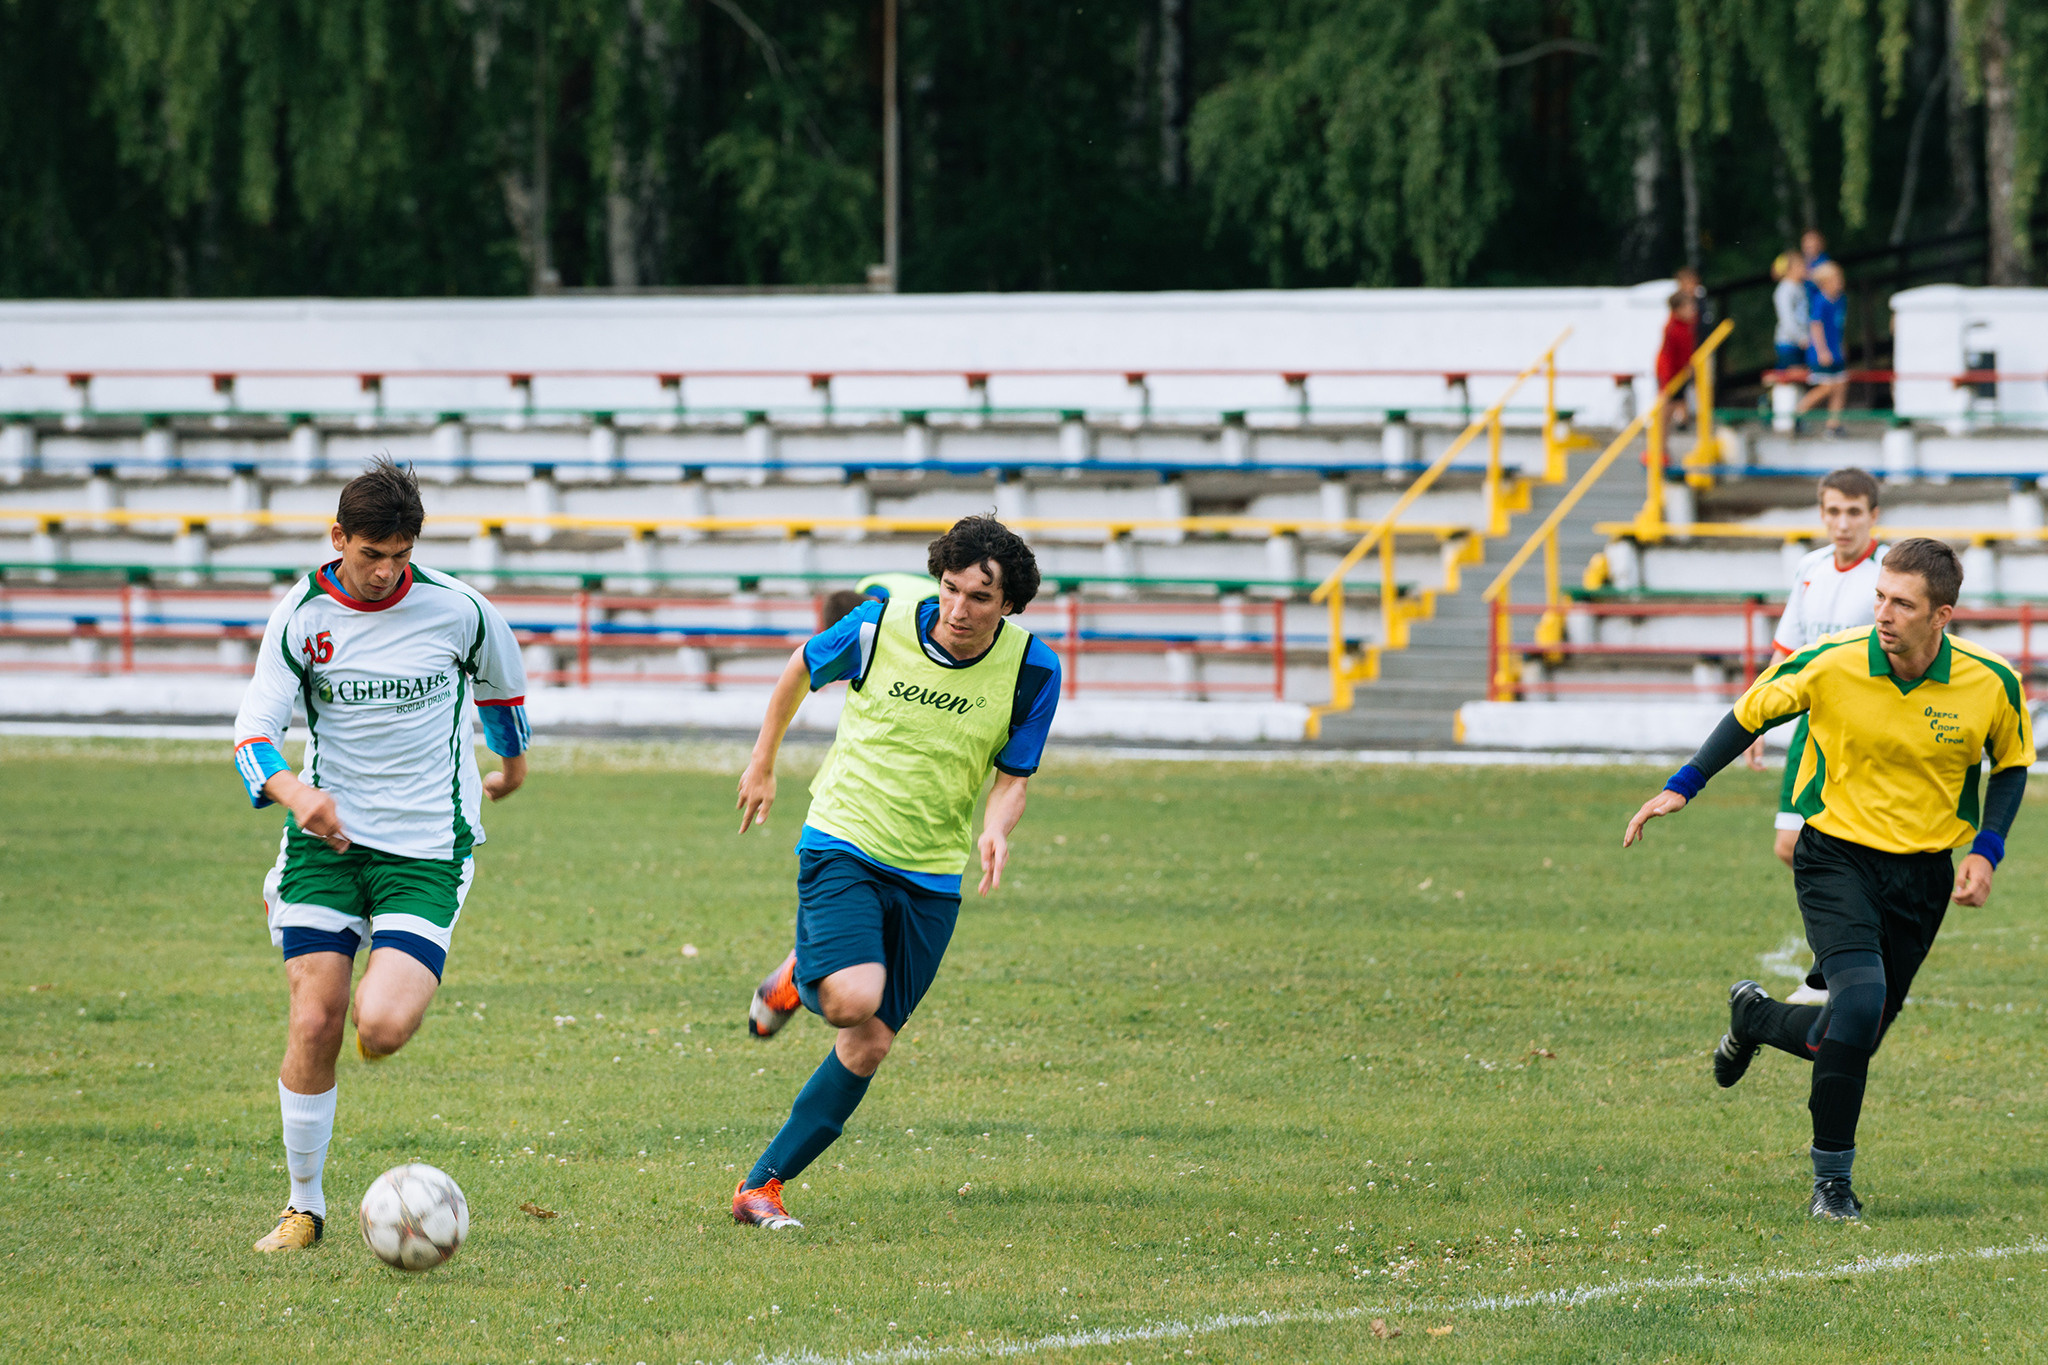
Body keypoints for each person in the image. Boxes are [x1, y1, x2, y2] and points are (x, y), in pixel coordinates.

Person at [1624, 538, 2030, 1222]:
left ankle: (1753, 1014)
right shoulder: (1835, 661)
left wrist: (1986, 850)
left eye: (1903, 602)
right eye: (1880, 596)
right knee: (1860, 1001)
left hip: (1923, 876)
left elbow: (2012, 763)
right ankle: (1832, 1187)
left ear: (1943, 615)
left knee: (1850, 1033)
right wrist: (1682, 786)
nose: (1884, 612)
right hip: (1834, 856)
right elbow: (1751, 711)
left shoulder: (1991, 682)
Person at [730, 517, 1061, 1230]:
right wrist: (762, 760)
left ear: (1009, 604)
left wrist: (996, 828)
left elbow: (1014, 776)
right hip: (844, 837)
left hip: (933, 872)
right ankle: (804, 977)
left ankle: (761, 1188)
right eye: (950, 588)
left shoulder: (1033, 668)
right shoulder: (880, 627)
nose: (958, 610)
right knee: (852, 997)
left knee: (871, 1042)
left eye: (980, 596)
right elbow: (800, 667)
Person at [234, 458, 530, 1252]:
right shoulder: (298, 616)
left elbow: (505, 696)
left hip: (428, 846)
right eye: (371, 553)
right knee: (315, 1016)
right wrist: (300, 797)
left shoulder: (460, 610)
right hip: (324, 846)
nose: (385, 570)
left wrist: (513, 765)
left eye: (400, 554)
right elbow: (251, 739)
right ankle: (304, 1206)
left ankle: (375, 989)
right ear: (339, 538)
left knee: (384, 1026)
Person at [1744, 468, 1886, 1004]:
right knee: (1791, 846)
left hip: (1863, 729)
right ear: (1821, 513)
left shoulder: (1888, 570)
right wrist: (1754, 718)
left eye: (1854, 512)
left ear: (1873, 516)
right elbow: (1786, 651)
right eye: (1832, 511)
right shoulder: (1810, 567)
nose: (1842, 523)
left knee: (1845, 844)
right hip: (1811, 728)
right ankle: (1850, 949)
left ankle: (1840, 964)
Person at [1796, 261, 1850, 438]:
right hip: (1822, 353)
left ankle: (1833, 425)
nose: (1840, 282)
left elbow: (1839, 327)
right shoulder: (1821, 301)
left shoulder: (1841, 300)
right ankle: (1799, 411)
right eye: (1836, 279)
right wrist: (1822, 351)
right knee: (1827, 387)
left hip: (1836, 351)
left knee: (1841, 385)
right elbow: (1816, 327)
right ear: (1825, 282)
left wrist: (1841, 347)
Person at [1655, 290, 1699, 436]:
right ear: (1678, 310)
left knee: (1679, 403)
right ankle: (1660, 447)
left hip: (1681, 371)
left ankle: (1682, 423)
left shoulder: (1688, 325)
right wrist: (1666, 383)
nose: (1692, 310)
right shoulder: (1672, 328)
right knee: (1666, 411)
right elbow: (1668, 357)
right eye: (1688, 307)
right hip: (1669, 373)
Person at [1770, 252, 1810, 374]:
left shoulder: (1800, 287)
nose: (1806, 268)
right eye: (1802, 265)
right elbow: (1787, 319)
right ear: (1792, 268)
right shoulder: (1784, 290)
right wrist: (1800, 338)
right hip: (1789, 343)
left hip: (1801, 341)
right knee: (1793, 377)